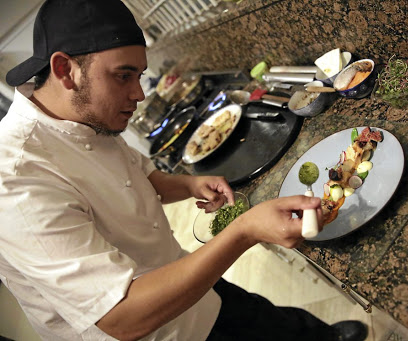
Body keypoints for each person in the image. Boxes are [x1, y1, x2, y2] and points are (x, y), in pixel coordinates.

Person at [0, 1, 368, 340]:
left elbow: (138, 177)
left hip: (183, 275)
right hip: (155, 327)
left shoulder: (82, 113)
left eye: (139, 76)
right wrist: (244, 230)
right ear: (65, 70)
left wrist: (191, 184)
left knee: (265, 320)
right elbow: (119, 315)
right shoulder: (15, 178)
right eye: (123, 76)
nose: (139, 94)